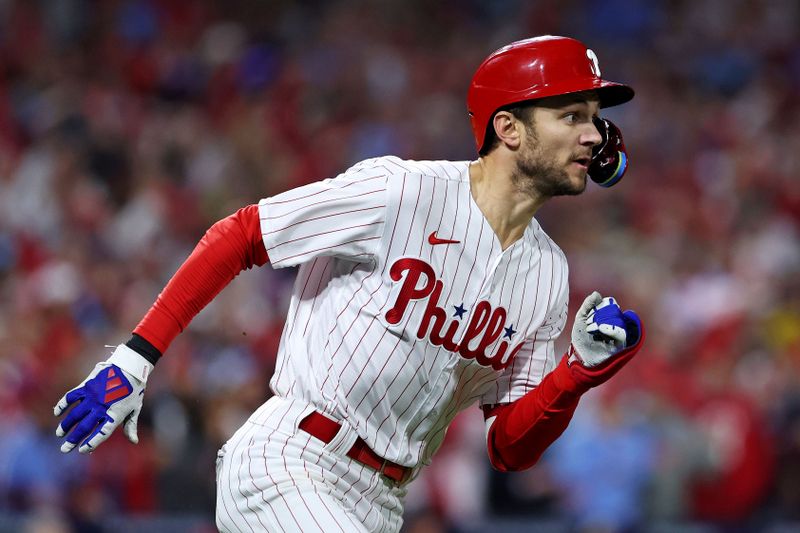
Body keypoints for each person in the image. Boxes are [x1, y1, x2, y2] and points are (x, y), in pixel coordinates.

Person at [54, 35, 645, 532]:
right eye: (571, 116)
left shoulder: (547, 274)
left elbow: (509, 447)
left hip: (385, 501)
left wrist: (577, 372)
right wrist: (136, 360)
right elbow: (241, 235)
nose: (595, 136)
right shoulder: (402, 192)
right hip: (293, 459)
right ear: (509, 128)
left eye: (595, 118)